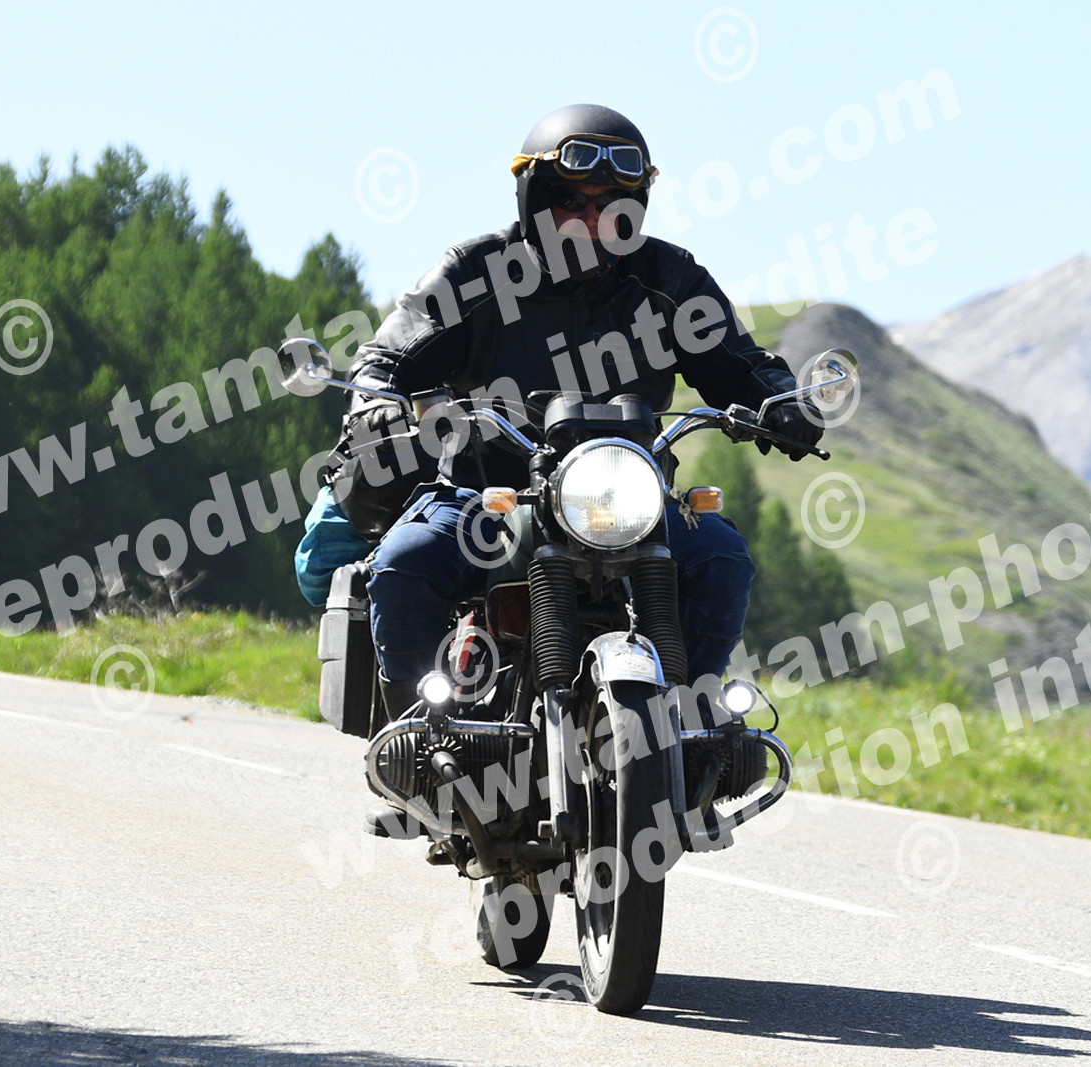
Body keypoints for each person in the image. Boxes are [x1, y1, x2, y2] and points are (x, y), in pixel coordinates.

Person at [295, 103, 821, 716]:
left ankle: (690, 721)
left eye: (613, 204)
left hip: (628, 501)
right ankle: (420, 726)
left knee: (721, 559)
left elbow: (740, 362)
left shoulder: (671, 280)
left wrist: (782, 402)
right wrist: (374, 397)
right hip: (487, 495)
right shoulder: (477, 272)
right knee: (404, 561)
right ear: (537, 201)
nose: (593, 218)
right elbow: (391, 352)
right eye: (572, 201)